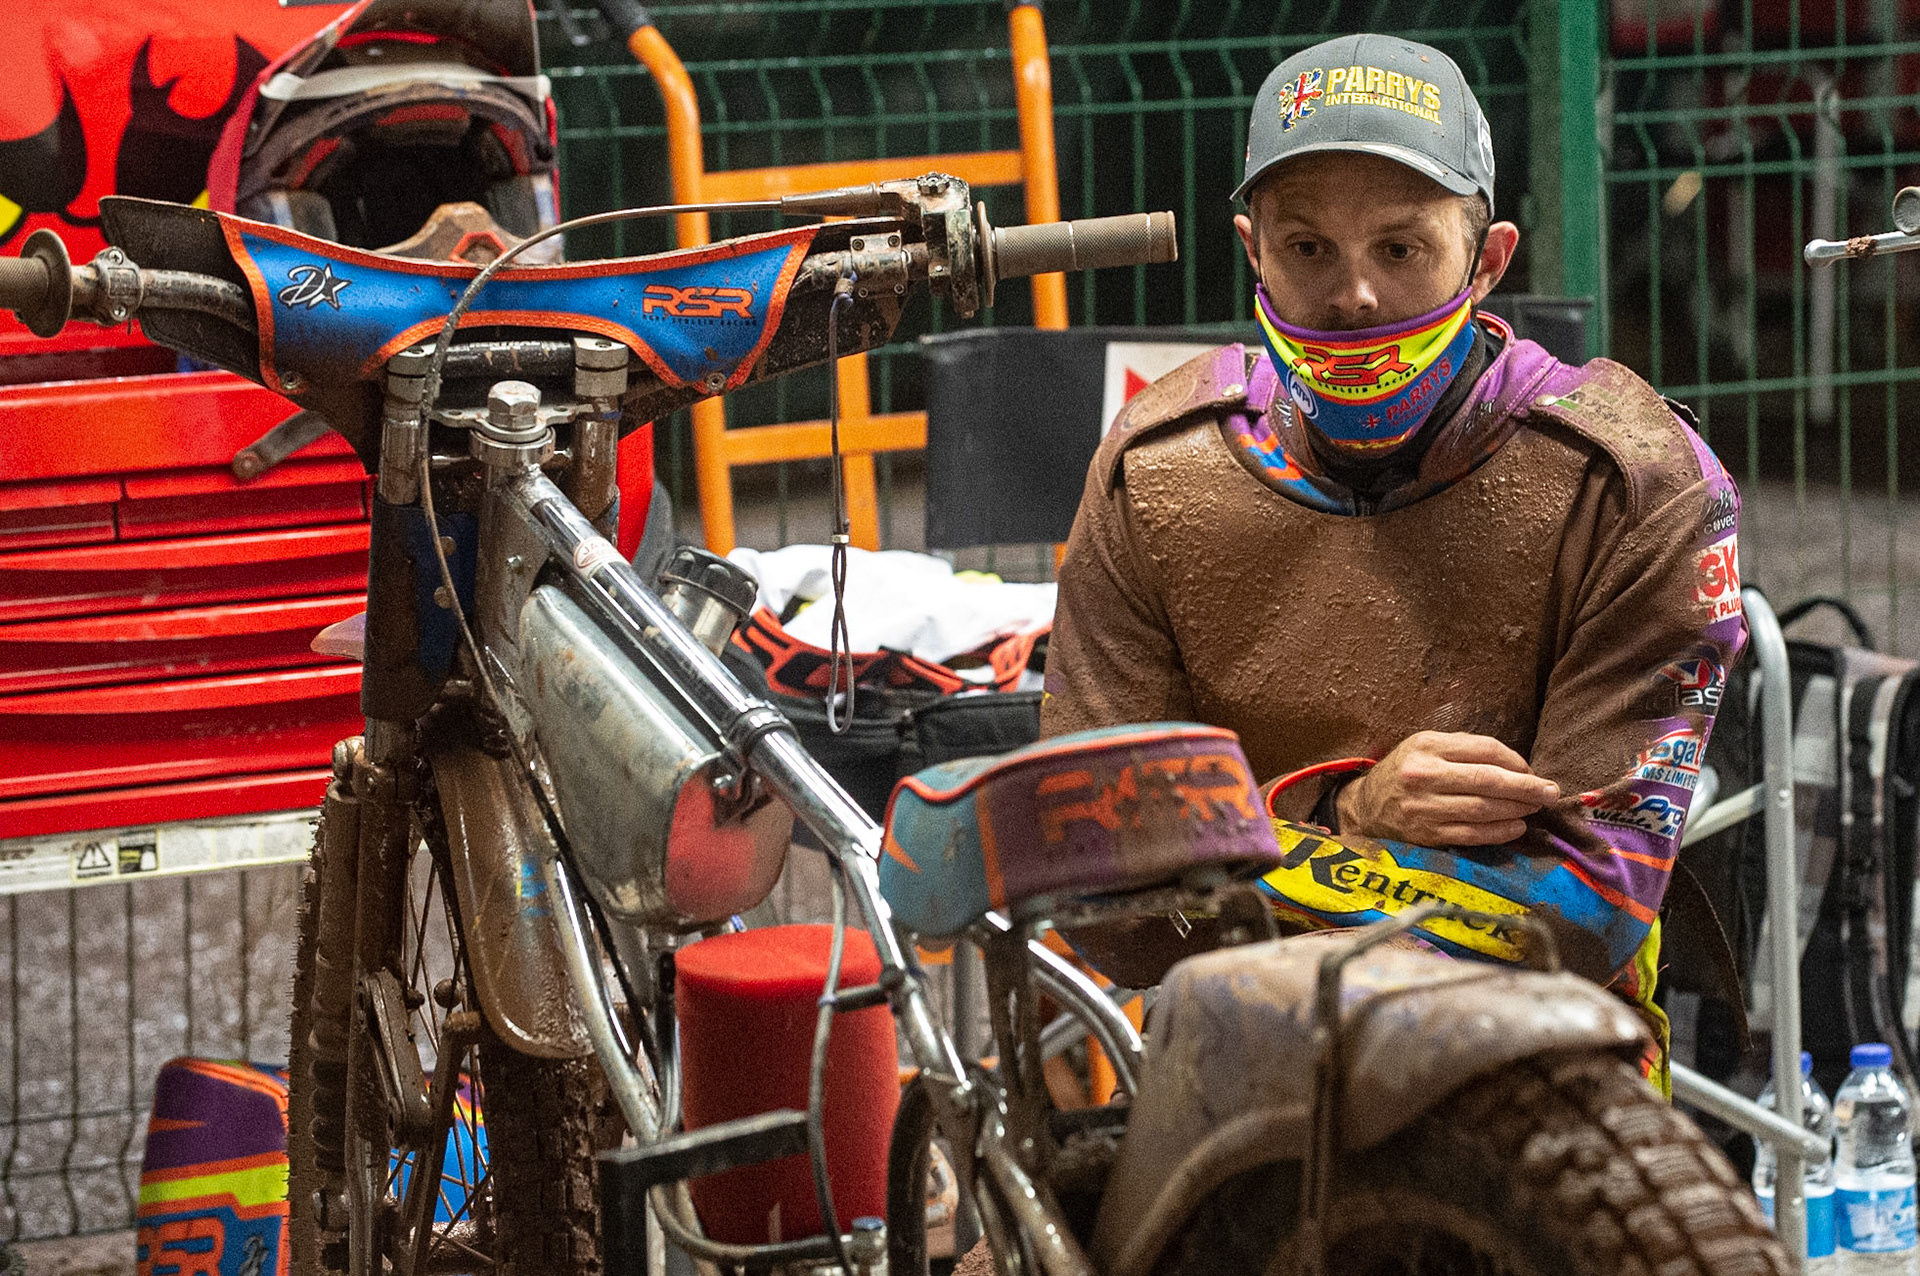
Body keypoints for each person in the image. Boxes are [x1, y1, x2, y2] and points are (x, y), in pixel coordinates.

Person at [1041, 32, 1747, 1090]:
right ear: (1253, 251)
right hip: (1239, 1071)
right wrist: (1346, 810)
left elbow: (1579, 912)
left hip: (1542, 1072)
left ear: (1489, 258)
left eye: (1402, 249)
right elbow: (1093, 881)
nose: (1356, 296)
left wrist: (1233, 852)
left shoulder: (1636, 482)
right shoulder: (1156, 467)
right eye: (1309, 248)